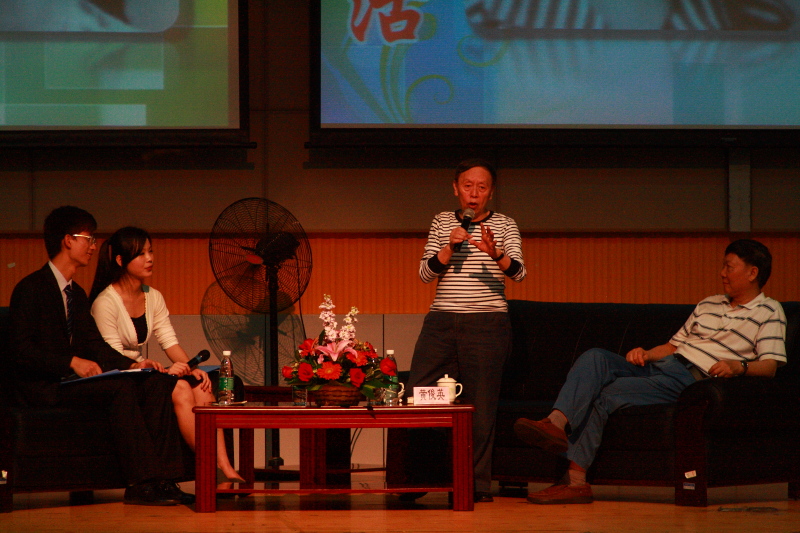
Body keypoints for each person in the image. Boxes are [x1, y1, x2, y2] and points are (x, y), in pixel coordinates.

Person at [514, 238, 787, 504]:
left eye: (729, 267)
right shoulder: (709, 304)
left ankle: (575, 484)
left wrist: (739, 366)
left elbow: (770, 366)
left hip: (689, 380)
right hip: (663, 365)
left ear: (752, 273)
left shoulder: (769, 311)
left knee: (605, 395)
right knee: (595, 357)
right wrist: (646, 353)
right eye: (723, 266)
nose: (722, 273)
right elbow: (672, 346)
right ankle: (555, 423)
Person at [9, 206, 194, 506]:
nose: (94, 246)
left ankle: (165, 479)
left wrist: (135, 364)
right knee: (119, 388)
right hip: (45, 386)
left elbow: (95, 345)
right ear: (68, 240)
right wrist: (71, 362)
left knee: (155, 382)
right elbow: (21, 350)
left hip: (70, 382)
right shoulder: (31, 289)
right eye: (89, 239)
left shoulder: (77, 294)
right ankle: (141, 482)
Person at [403, 158, 527, 503]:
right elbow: (425, 274)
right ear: (456, 188)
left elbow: (519, 272)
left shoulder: (505, 224)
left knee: (481, 406)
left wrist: (494, 252)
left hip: (487, 324)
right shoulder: (442, 221)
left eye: (482, 187)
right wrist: (449, 247)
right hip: (441, 322)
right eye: (468, 186)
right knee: (419, 395)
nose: (474, 193)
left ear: (491, 193)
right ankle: (418, 480)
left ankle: (475, 485)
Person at [89, 226, 243, 484]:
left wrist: (190, 366)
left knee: (202, 386)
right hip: (121, 374)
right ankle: (210, 466)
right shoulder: (105, 302)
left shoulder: (154, 297)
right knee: (180, 388)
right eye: (141, 254)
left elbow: (169, 341)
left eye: (151, 251)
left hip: (145, 369)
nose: (149, 258)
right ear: (120, 260)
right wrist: (152, 367)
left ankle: (226, 467)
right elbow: (112, 355)